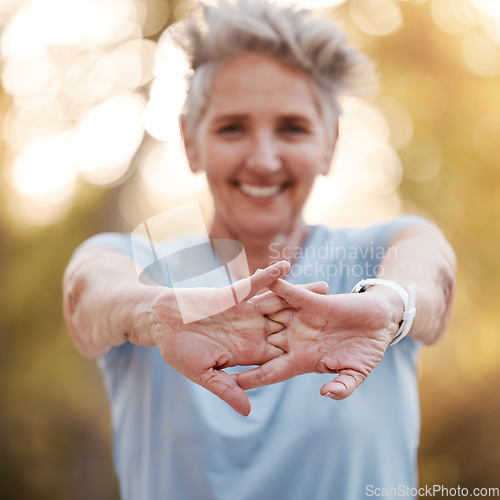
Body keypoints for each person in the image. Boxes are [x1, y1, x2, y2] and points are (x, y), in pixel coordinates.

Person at [62, 0, 456, 499]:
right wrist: (156, 315)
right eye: (232, 128)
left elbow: (431, 275)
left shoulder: (380, 254)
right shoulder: (140, 266)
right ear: (190, 142)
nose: (264, 160)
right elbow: (88, 291)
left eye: (292, 128)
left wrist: (393, 305)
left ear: (330, 143)